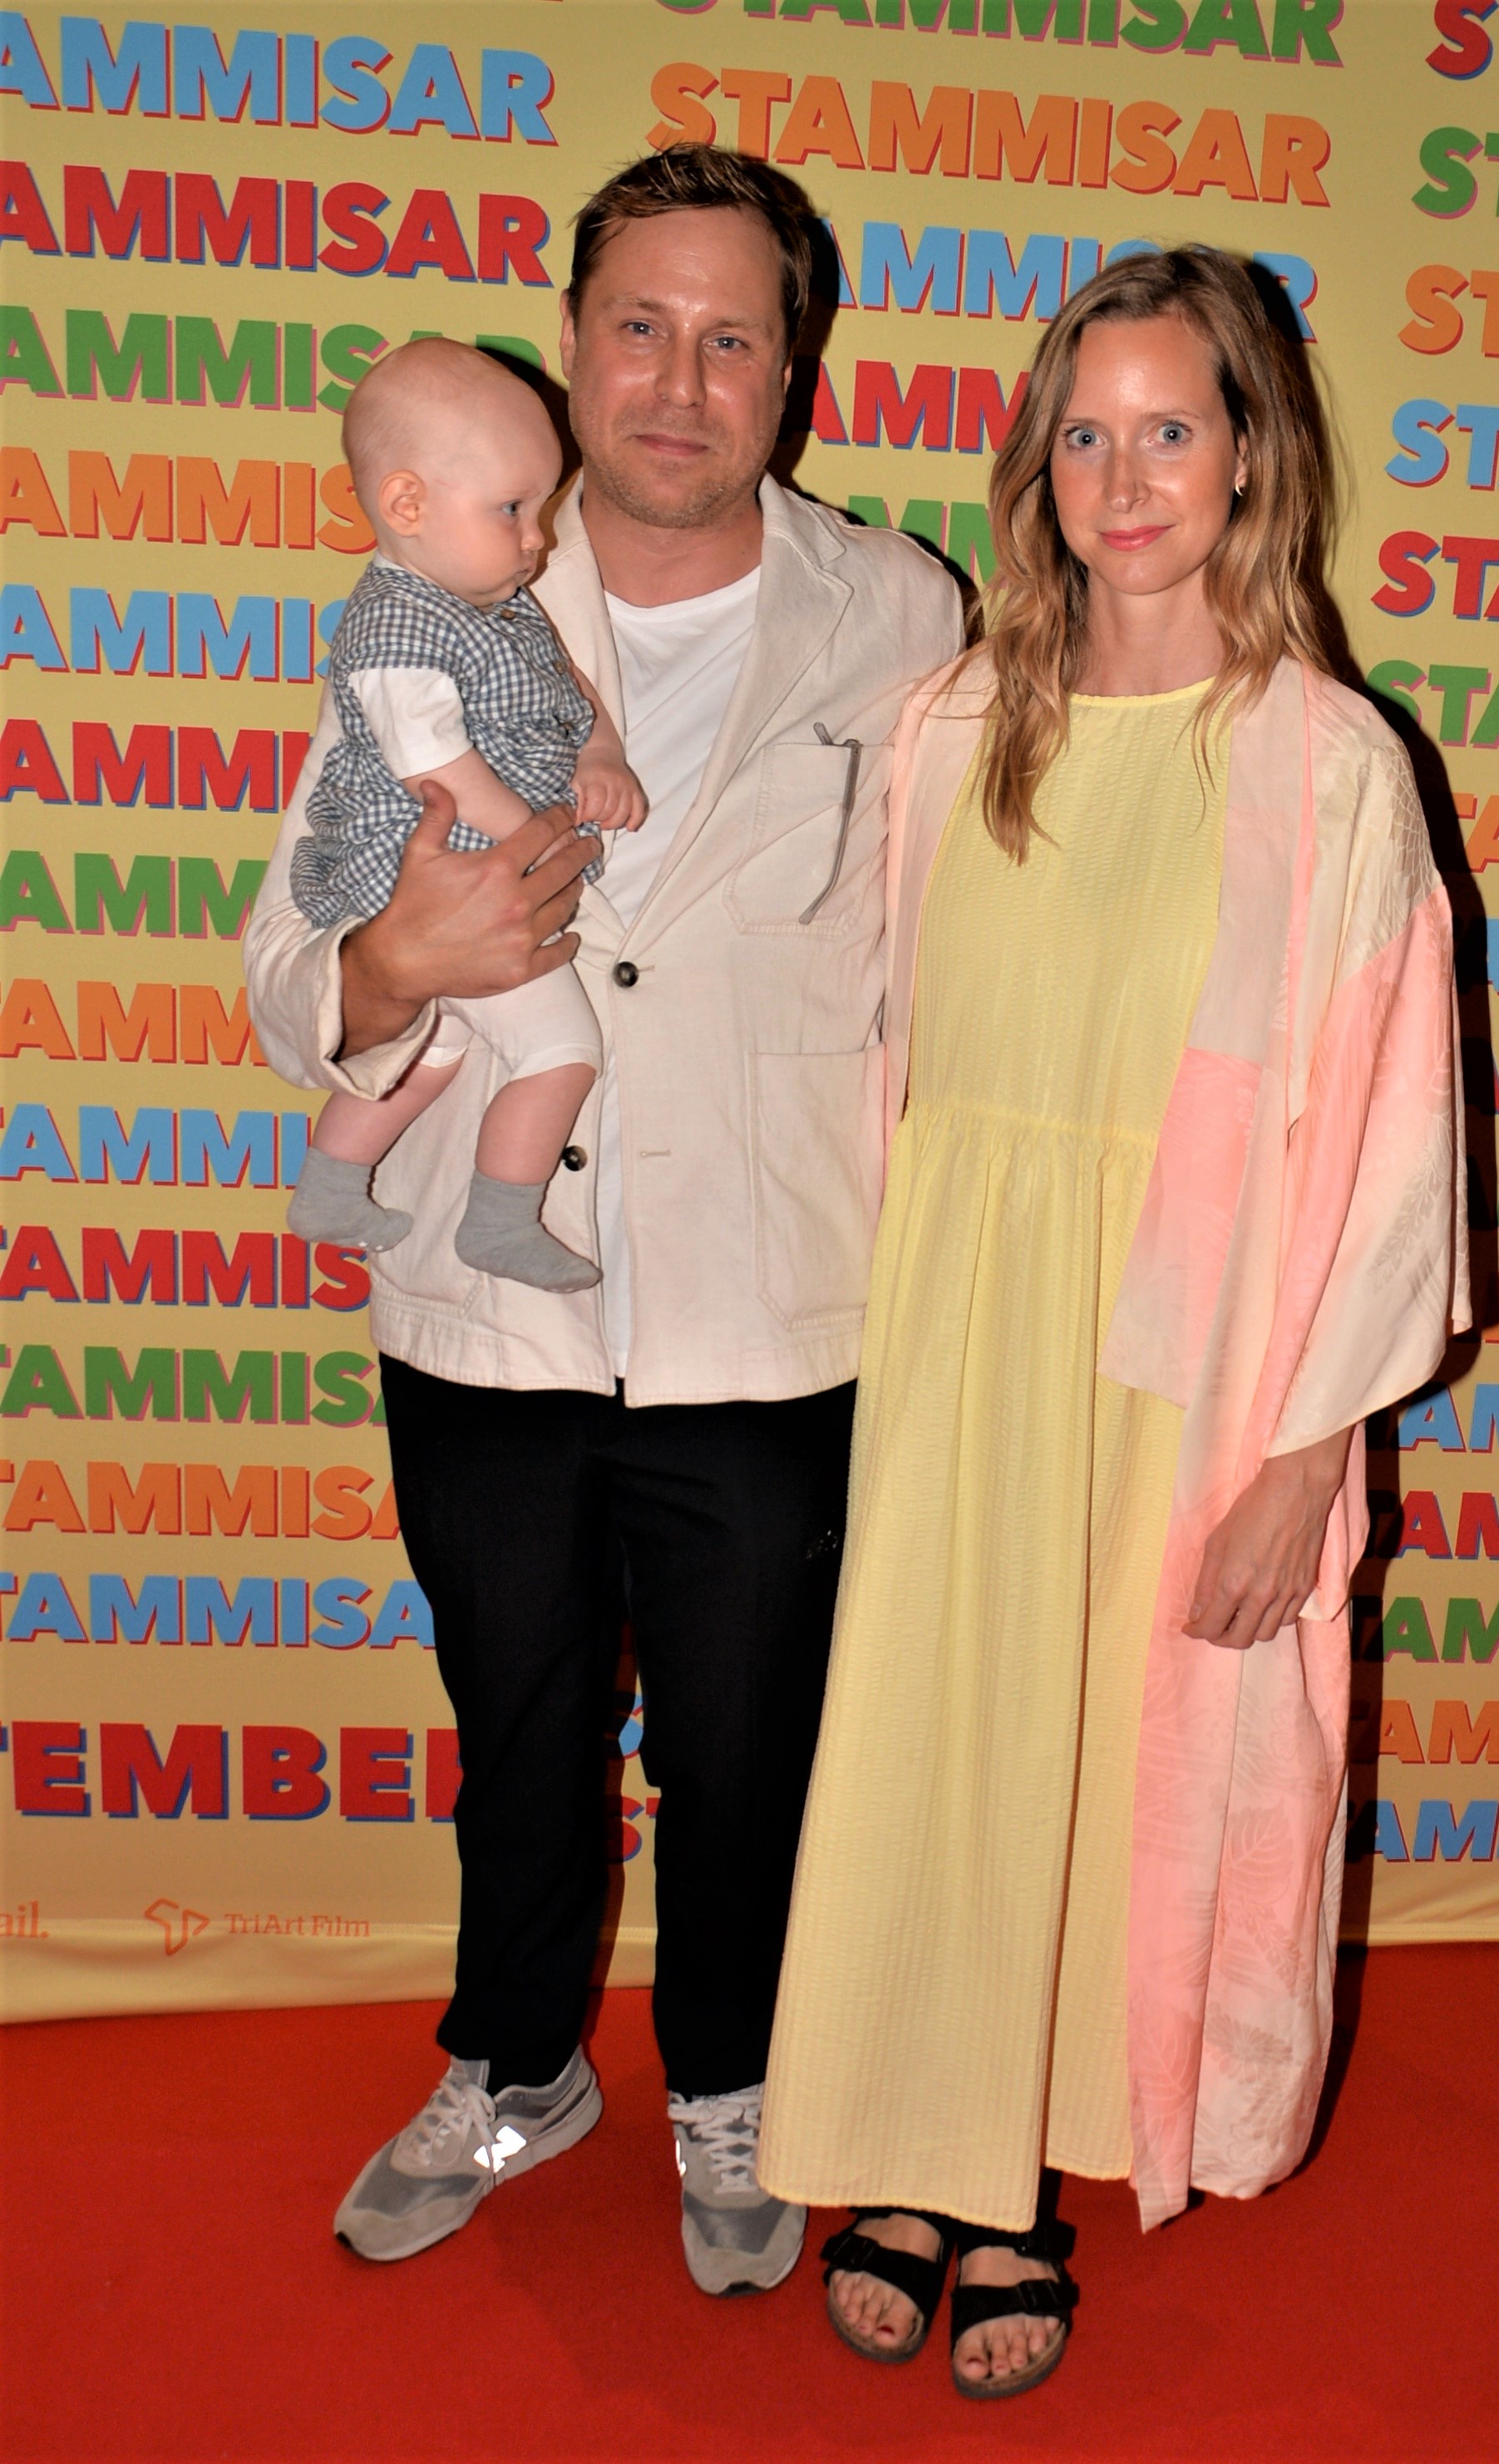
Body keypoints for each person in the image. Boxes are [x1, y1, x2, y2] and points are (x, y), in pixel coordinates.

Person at [244, 145, 962, 2290]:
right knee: (523, 1731)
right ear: (568, 347)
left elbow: (945, 963)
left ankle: (734, 2083)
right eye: (639, 325)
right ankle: (517, 2064)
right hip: (483, 1304)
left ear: (791, 372)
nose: (678, 378)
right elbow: (289, 952)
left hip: (774, 1304)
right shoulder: (436, 587)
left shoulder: (900, 612)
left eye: (732, 336)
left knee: (752, 1750)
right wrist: (392, 969)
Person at [757, 246, 1469, 2397]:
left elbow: (1389, 1146)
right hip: (957, 1332)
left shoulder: (1325, 763)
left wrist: (1304, 1459)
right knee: (939, 1743)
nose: (1125, 477)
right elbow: (881, 1059)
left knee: (1101, 1770)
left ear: (1250, 458)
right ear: (1036, 464)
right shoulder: (951, 723)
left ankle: (1016, 2191)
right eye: (1086, 433)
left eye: (1171, 428)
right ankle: (912, 2141)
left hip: (1188, 1374)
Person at [286, 338, 646, 1294]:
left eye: (542, 508)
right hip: (433, 874)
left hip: (471, 874)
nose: (539, 539)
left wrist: (599, 754)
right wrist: (541, 843)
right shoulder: (396, 632)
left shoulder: (494, 601)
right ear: (407, 506)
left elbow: (564, 679)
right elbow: (437, 775)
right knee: (562, 1050)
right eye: (513, 510)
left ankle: (329, 1188)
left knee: (437, 1048)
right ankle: (500, 1220)